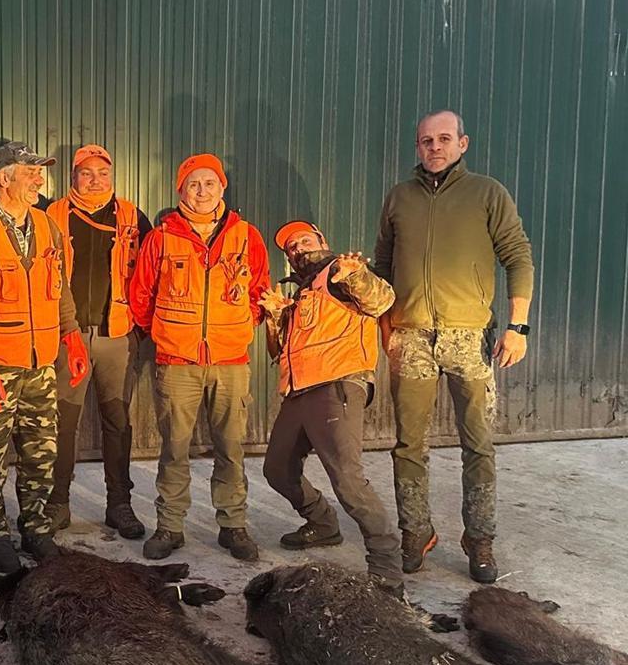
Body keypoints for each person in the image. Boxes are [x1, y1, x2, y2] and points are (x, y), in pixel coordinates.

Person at [374, 110, 535, 584]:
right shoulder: (399, 197)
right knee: (408, 445)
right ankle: (415, 532)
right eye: (426, 141)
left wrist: (518, 327)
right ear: (417, 147)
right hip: (412, 338)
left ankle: (479, 538)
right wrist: (387, 325)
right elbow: (383, 265)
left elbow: (517, 255)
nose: (435, 148)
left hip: (469, 337)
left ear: (463, 143)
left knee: (478, 444)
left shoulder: (487, 193)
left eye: (444, 139)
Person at [0, 141, 89, 573]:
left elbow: (59, 286)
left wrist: (72, 335)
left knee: (39, 454)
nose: (39, 179)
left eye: (39, 171)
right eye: (30, 171)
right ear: (3, 177)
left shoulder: (46, 226)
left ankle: (36, 528)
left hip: (41, 364)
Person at [128, 154, 271, 561]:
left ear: (222, 188)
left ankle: (233, 525)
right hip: (177, 363)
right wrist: (162, 335)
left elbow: (259, 289)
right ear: (181, 190)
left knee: (231, 447)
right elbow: (141, 293)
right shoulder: (161, 237)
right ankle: (170, 527)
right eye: (194, 184)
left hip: (230, 361)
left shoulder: (246, 236)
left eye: (210, 183)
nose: (202, 191)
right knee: (174, 448)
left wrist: (243, 324)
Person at [259, 221, 402, 593]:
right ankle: (322, 524)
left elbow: (381, 300)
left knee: (349, 481)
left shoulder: (341, 274)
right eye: (291, 247)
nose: (298, 248)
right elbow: (278, 353)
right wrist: (276, 318)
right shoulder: (302, 292)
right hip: (298, 390)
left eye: (305, 240)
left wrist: (355, 275)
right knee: (277, 469)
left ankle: (386, 569)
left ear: (323, 241)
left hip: (337, 384)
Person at [43, 144, 151, 539]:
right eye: (86, 173)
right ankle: (58, 504)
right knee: (62, 423)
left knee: (117, 423)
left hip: (116, 335)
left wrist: (140, 326)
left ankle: (119, 504)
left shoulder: (132, 216)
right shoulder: (51, 216)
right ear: (72, 177)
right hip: (65, 336)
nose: (94, 180)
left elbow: (151, 273)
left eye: (102, 173)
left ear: (113, 176)